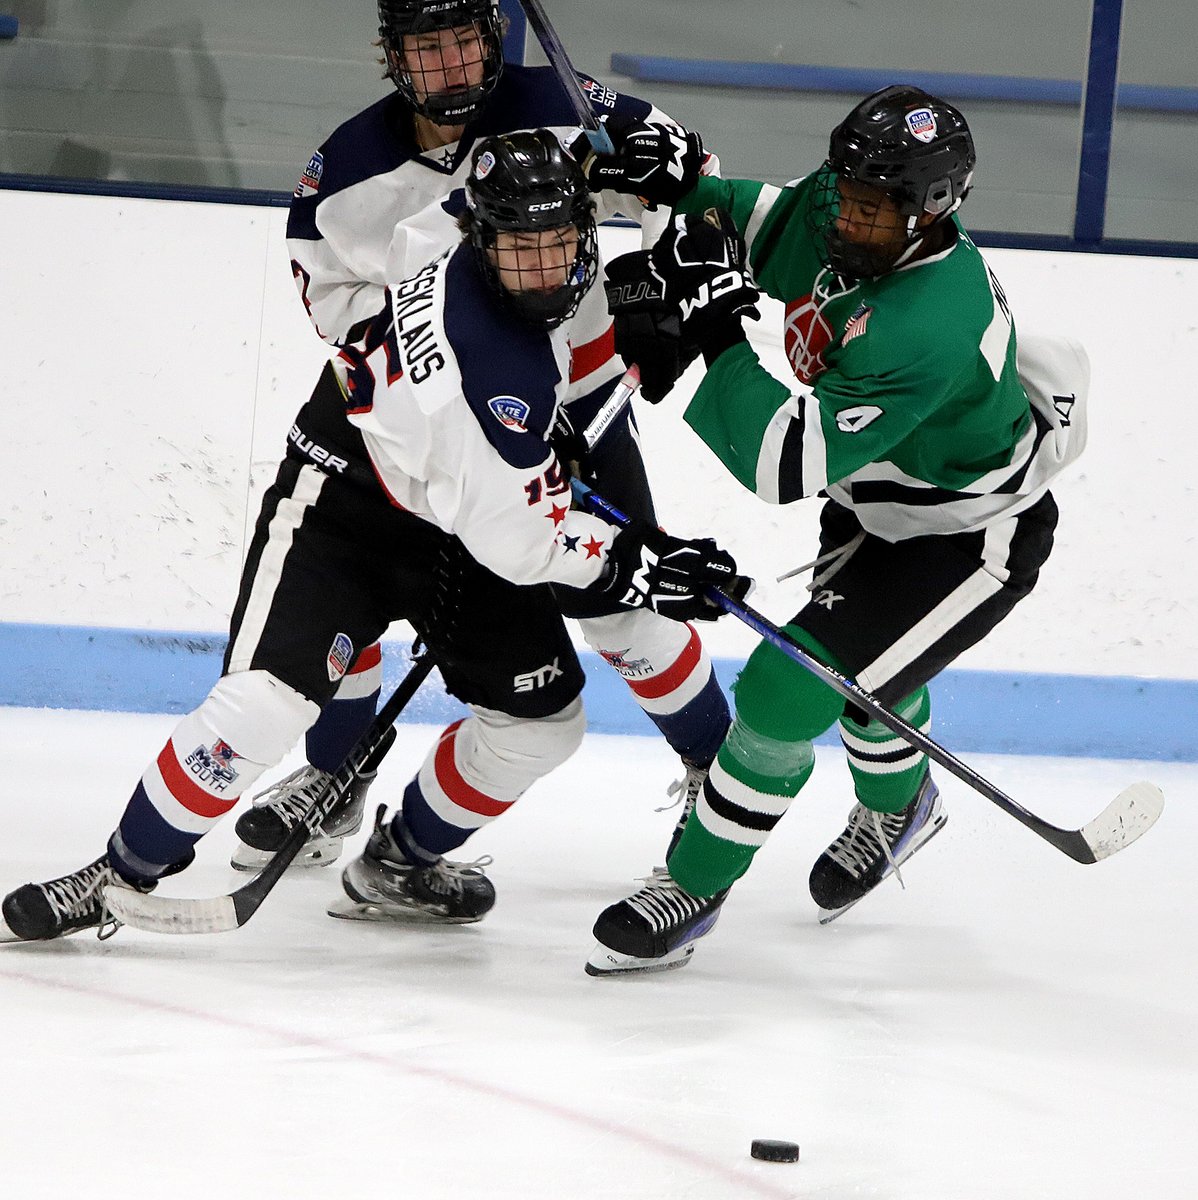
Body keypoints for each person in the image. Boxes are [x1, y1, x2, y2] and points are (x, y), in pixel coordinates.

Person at [0, 130, 742, 943]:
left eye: (558, 242)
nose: (541, 269)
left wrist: (602, 170)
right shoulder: (498, 377)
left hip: (452, 508)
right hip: (347, 502)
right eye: (520, 249)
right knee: (261, 707)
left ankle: (400, 861)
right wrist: (636, 564)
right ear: (487, 241)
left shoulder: (447, 228)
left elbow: (473, 224)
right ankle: (120, 870)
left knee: (541, 723)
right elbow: (521, 543)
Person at [585, 86, 1089, 975]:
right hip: (873, 506)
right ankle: (904, 807)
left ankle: (694, 887)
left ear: (930, 209)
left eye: (869, 207)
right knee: (865, 671)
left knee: (787, 686)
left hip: (967, 539)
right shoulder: (856, 204)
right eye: (846, 193)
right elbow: (763, 220)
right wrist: (683, 188)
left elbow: (783, 462)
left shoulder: (928, 325)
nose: (846, 217)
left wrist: (717, 331)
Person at [231, 0, 731, 873]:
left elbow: (696, 181)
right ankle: (338, 770)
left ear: (493, 38)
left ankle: (716, 778)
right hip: (423, 428)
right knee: (353, 585)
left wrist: (661, 274)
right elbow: (339, 310)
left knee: (625, 610)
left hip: (584, 403)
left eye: (467, 39)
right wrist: (460, 387)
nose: (454, 64)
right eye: (430, 46)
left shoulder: (568, 107)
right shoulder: (344, 170)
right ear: (392, 54)